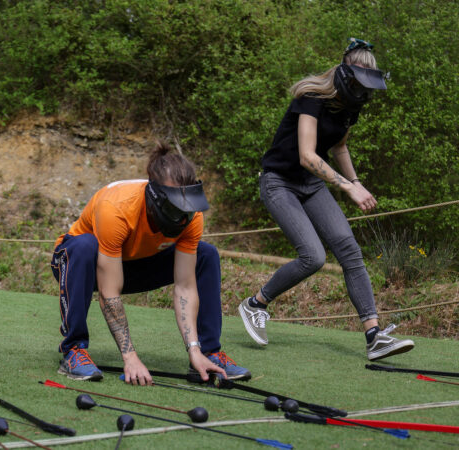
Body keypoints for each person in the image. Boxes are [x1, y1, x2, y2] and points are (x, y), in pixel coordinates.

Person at [238, 38, 414, 361]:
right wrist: (348, 187)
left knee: (348, 248)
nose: (363, 94)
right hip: (279, 182)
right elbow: (306, 156)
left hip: (311, 184)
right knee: (313, 257)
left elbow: (339, 148)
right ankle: (255, 304)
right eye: (360, 85)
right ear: (346, 74)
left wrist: (358, 183)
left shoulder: (351, 107)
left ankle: (374, 336)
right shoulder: (311, 98)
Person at [50, 142, 250, 385]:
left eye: (187, 209)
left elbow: (185, 287)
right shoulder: (116, 208)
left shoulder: (192, 216)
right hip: (83, 266)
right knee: (83, 247)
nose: (183, 217)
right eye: (176, 208)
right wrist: (130, 357)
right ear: (155, 195)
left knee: (206, 254)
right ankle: (74, 350)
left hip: (136, 264)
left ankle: (207, 355)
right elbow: (108, 290)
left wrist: (193, 349)